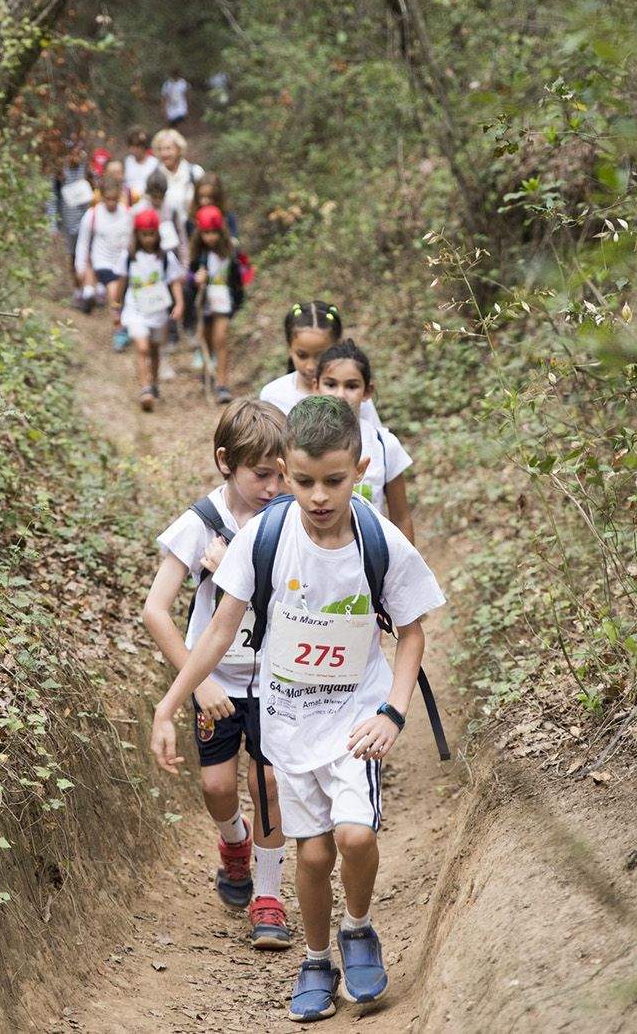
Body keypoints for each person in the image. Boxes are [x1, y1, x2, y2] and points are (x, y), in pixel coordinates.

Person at [151, 396, 446, 1022]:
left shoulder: (377, 539)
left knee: (356, 834)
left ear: (360, 470)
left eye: (334, 481)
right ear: (285, 470)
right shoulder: (263, 536)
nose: (317, 496)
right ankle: (316, 959)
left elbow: (412, 631)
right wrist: (170, 702)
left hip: (353, 720)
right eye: (303, 480)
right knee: (311, 855)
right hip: (288, 721)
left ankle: (359, 927)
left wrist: (391, 713)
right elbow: (219, 630)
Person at [141, 399, 292, 950]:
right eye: (262, 474)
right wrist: (196, 681)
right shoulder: (200, 522)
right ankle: (234, 846)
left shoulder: (291, 516)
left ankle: (270, 896)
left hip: (280, 678)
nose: (274, 486)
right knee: (217, 785)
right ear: (227, 461)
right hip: (217, 679)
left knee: (268, 781)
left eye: (283, 474)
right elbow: (156, 610)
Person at [317, 341, 414, 541]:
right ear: (315, 386)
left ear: (367, 391)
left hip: (369, 562)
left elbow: (401, 517)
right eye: (331, 384)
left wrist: (407, 571)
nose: (340, 395)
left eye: (351, 386)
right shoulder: (297, 442)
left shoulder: (384, 446)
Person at [259, 302, 384, 427]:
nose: (311, 366)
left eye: (321, 356)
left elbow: (377, 439)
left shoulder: (352, 394)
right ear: (290, 349)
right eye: (302, 355)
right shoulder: (273, 395)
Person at [114, 206, 184, 411]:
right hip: (135, 310)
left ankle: (153, 383)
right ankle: (145, 388)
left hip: (158, 311)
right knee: (142, 347)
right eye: (144, 235)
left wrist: (179, 303)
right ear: (137, 234)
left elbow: (174, 282)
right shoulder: (129, 257)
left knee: (154, 349)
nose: (148, 239)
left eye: (152, 234)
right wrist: (115, 306)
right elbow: (121, 281)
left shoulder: (165, 258)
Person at [189, 206, 245, 405]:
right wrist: (196, 279)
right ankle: (208, 375)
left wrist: (238, 299)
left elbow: (238, 276)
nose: (210, 237)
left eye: (213, 232)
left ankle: (222, 383)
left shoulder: (230, 250)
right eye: (206, 233)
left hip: (223, 300)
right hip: (205, 302)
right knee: (207, 339)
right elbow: (188, 275)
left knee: (221, 338)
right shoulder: (198, 253)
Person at [73, 175, 135, 340]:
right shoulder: (92, 215)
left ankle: (125, 323)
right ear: (101, 196)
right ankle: (119, 330)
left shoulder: (127, 214)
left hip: (122, 262)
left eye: (115, 199)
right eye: (108, 199)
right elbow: (83, 243)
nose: (111, 203)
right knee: (114, 293)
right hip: (102, 261)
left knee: (123, 297)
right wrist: (80, 267)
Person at [51, 140, 94, 310]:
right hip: (69, 223)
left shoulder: (86, 168)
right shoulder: (60, 173)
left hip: (88, 220)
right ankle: (78, 289)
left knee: (89, 254)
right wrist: (53, 224)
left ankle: (89, 289)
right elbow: (52, 198)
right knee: (74, 255)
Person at [152, 129, 203, 266]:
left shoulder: (194, 172)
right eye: (161, 149)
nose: (165, 153)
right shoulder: (155, 177)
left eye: (168, 148)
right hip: (168, 237)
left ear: (179, 149)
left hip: (193, 233)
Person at [123, 127, 159, 197]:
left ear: (144, 146)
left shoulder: (154, 163)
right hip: (129, 198)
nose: (135, 149)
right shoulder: (127, 161)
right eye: (132, 146)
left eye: (138, 146)